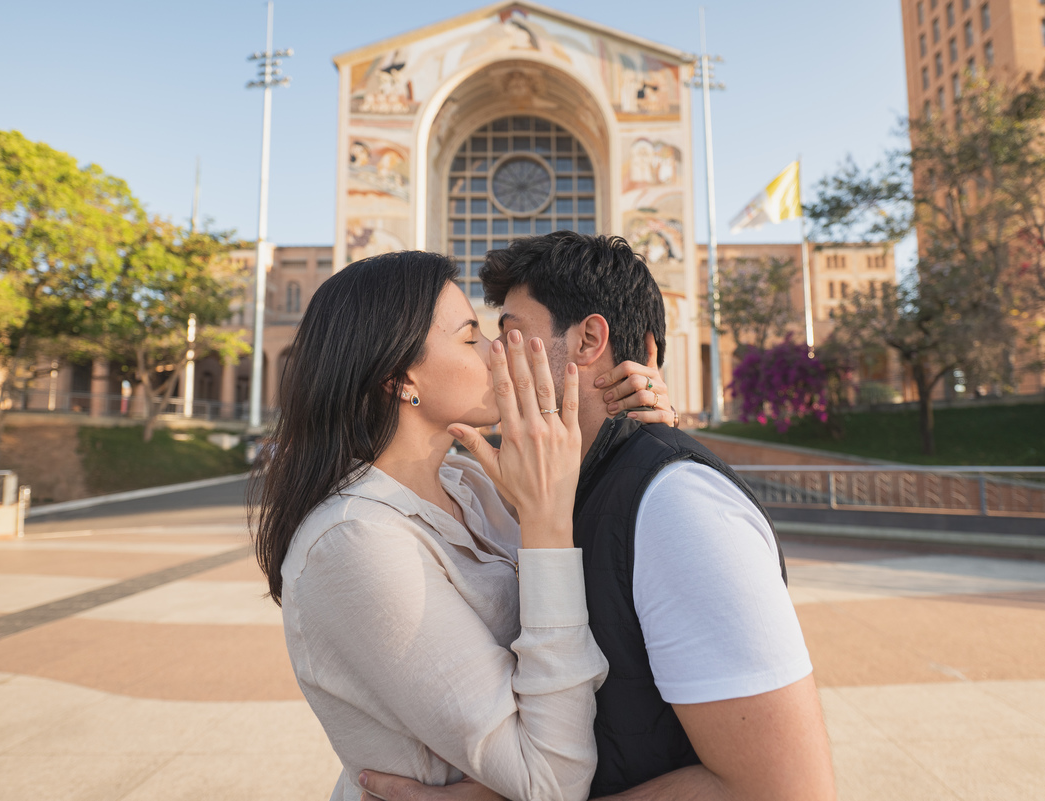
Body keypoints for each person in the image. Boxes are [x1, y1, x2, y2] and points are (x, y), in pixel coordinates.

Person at [360, 233, 836, 801]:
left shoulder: (677, 506)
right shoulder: (551, 491)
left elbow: (788, 790)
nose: (494, 354)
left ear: (588, 339)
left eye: (510, 334)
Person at [251, 249, 677, 801]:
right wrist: (544, 526)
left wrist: (639, 431)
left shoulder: (469, 486)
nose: (499, 350)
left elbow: (596, 581)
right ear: (400, 375)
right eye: (471, 336)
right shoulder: (356, 540)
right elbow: (550, 781)